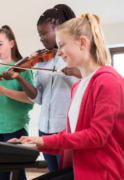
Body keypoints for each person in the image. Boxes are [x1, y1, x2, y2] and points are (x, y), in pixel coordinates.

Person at [9, 13, 124, 180]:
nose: (59, 52)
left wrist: (42, 142)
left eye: (62, 45)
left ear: (83, 43)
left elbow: (96, 136)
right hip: (80, 167)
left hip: (102, 172)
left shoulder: (108, 81)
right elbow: (72, 135)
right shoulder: (78, 86)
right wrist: (32, 143)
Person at [2, 4, 79, 172]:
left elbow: (88, 79)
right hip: (45, 128)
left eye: (44, 33)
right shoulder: (42, 60)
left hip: (65, 129)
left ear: (59, 29)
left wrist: (74, 71)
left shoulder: (74, 55)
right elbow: (38, 97)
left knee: (67, 174)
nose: (41, 38)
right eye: (39, 35)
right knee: (53, 173)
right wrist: (20, 78)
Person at [0, 25, 34, 180]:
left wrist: (5, 91)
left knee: (17, 173)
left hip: (16, 127)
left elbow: (30, 100)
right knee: (1, 174)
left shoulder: (23, 68)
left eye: (0, 44)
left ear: (11, 44)